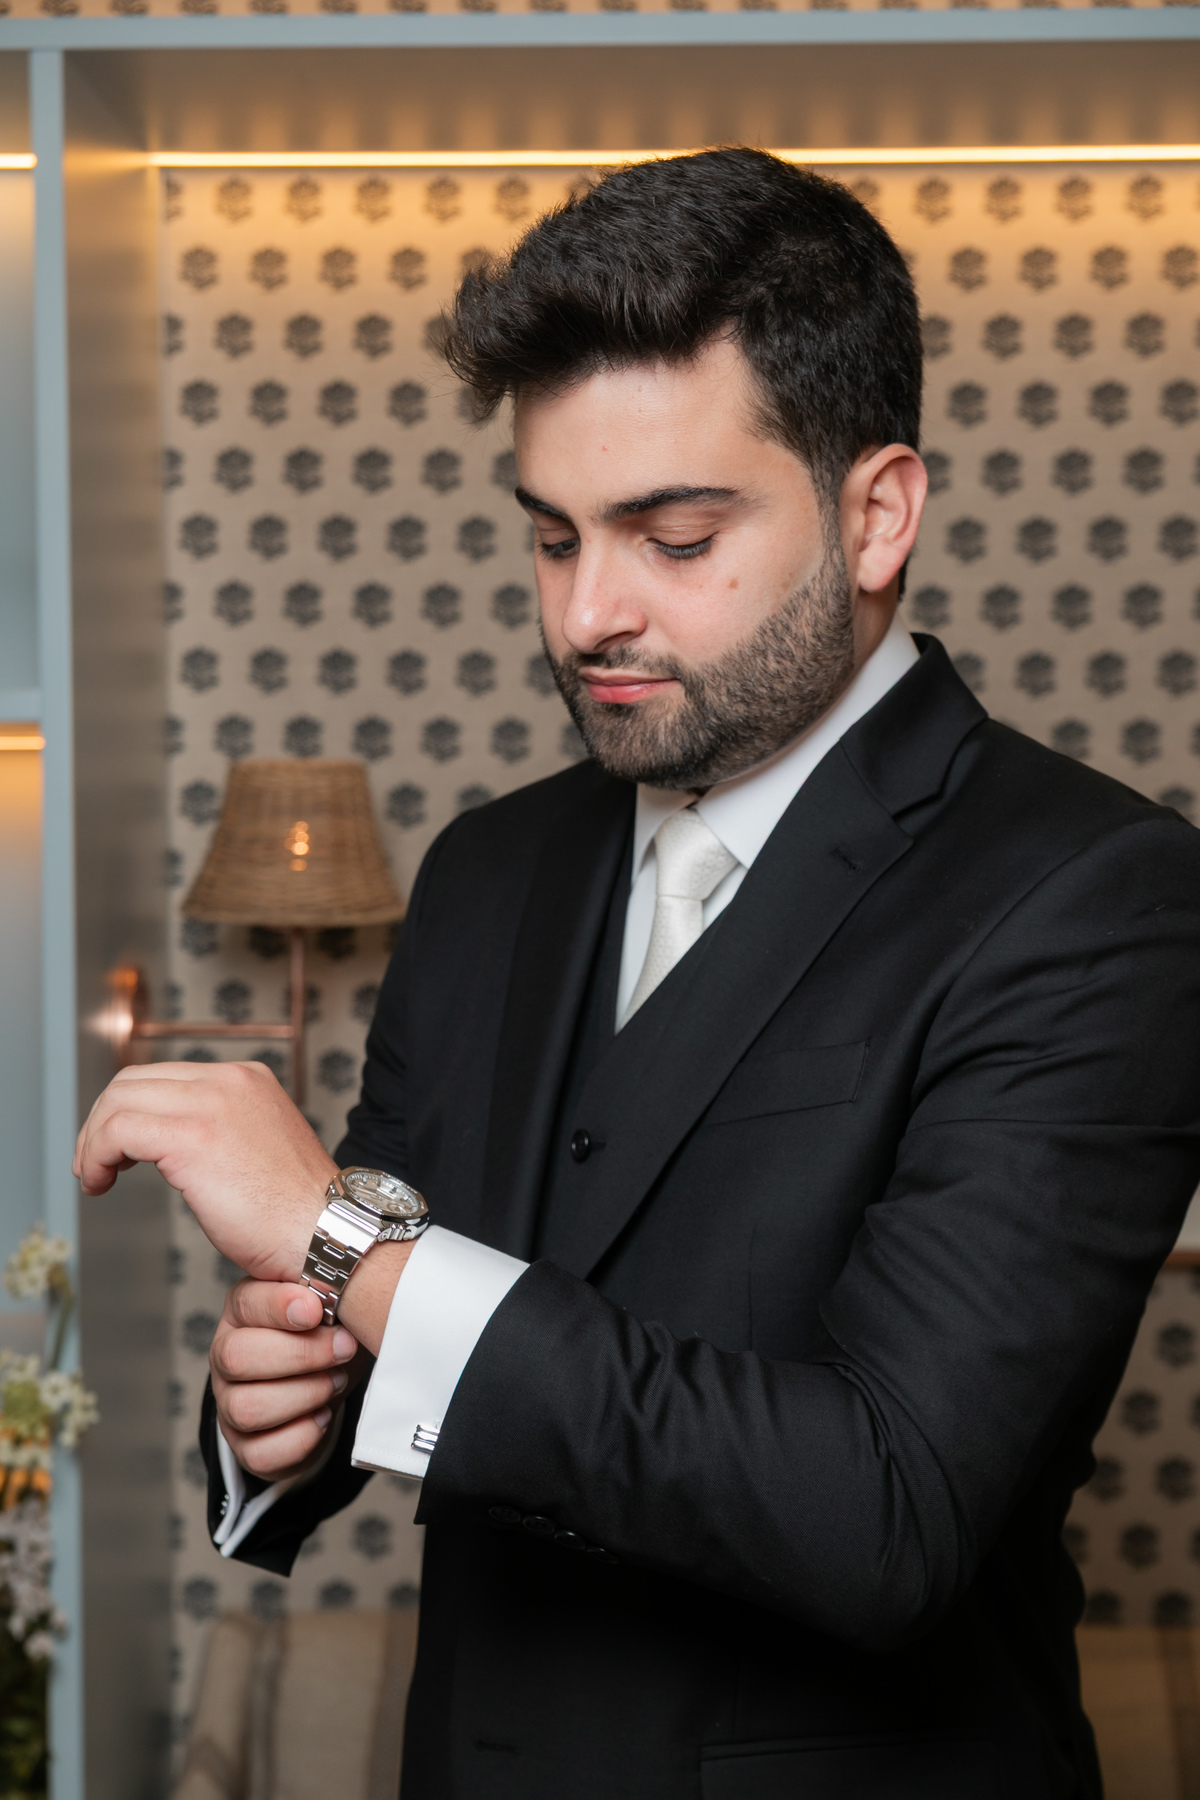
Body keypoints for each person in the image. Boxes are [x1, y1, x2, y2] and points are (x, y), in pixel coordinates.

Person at [76, 149, 1200, 1800]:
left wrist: (346, 1245)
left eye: (674, 537)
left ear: (878, 513)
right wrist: (278, 1420)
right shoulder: (487, 871)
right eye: (553, 538)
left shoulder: (1095, 894)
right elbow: (375, 1322)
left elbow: (891, 1511)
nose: (589, 613)